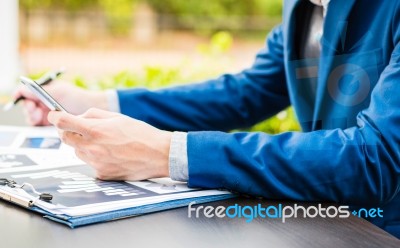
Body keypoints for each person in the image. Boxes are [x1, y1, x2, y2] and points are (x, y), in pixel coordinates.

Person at [16, 0, 400, 238]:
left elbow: (375, 156)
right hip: (322, 225)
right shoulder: (300, 7)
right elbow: (246, 93)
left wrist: (167, 152)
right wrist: (98, 102)